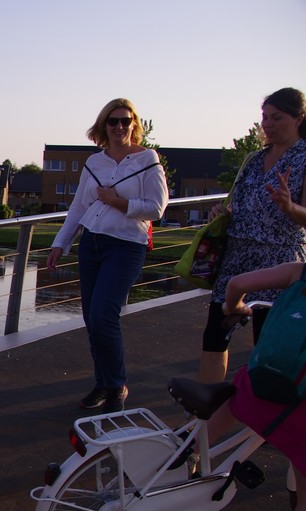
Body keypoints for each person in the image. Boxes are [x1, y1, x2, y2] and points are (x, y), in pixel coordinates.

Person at [47, 98, 169, 412]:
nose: (119, 127)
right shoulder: (94, 162)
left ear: (134, 124)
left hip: (126, 245)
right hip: (92, 243)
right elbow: (78, 207)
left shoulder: (147, 160)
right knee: (92, 317)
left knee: (104, 315)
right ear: (104, 126)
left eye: (125, 121)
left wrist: (118, 202)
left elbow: (156, 208)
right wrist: (61, 243)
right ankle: (103, 383)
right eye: (113, 121)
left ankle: (117, 385)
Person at [208, 261, 306, 511]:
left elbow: (236, 282)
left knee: (237, 392)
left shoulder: (300, 271)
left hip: (257, 390)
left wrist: (233, 307)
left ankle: (187, 453)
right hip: (297, 410)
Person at [199, 87, 306, 383]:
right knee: (215, 336)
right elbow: (243, 202)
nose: (268, 124)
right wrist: (224, 211)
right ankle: (205, 406)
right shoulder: (254, 158)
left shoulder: (304, 158)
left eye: (277, 118)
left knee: (267, 341)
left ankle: (261, 408)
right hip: (236, 257)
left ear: (299, 119)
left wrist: (290, 207)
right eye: (264, 117)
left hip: (278, 261)